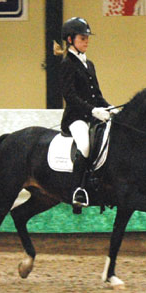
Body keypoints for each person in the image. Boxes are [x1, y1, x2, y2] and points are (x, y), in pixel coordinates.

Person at [54, 17, 114, 208]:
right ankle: (77, 190)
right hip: (76, 118)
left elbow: (97, 94)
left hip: (93, 115)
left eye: (87, 38)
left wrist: (109, 107)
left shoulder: (89, 64)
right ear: (70, 40)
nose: (87, 41)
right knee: (85, 146)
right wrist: (93, 110)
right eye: (82, 38)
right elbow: (69, 96)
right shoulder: (67, 64)